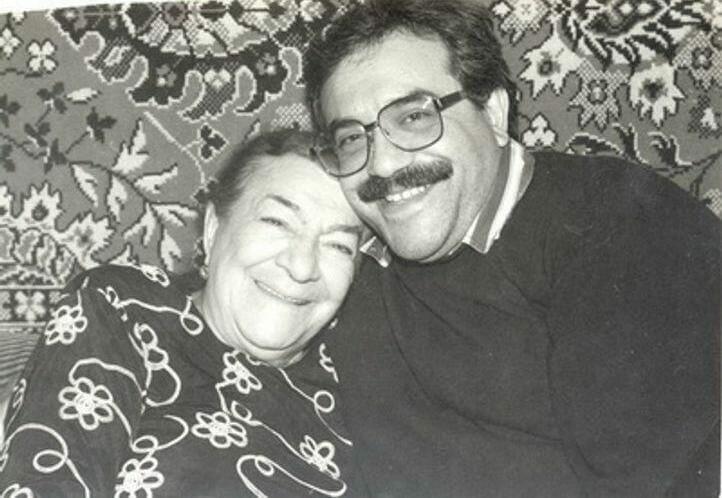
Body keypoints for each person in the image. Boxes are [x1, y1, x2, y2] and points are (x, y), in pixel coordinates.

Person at [304, 1, 720, 497]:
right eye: (352, 140)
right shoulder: (341, 267)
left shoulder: (621, 226)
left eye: (414, 116)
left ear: (494, 113)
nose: (383, 165)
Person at [0, 129, 369, 497]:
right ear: (212, 229)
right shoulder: (125, 310)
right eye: (277, 222)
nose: (302, 267)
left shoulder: (363, 383)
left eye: (339, 245)